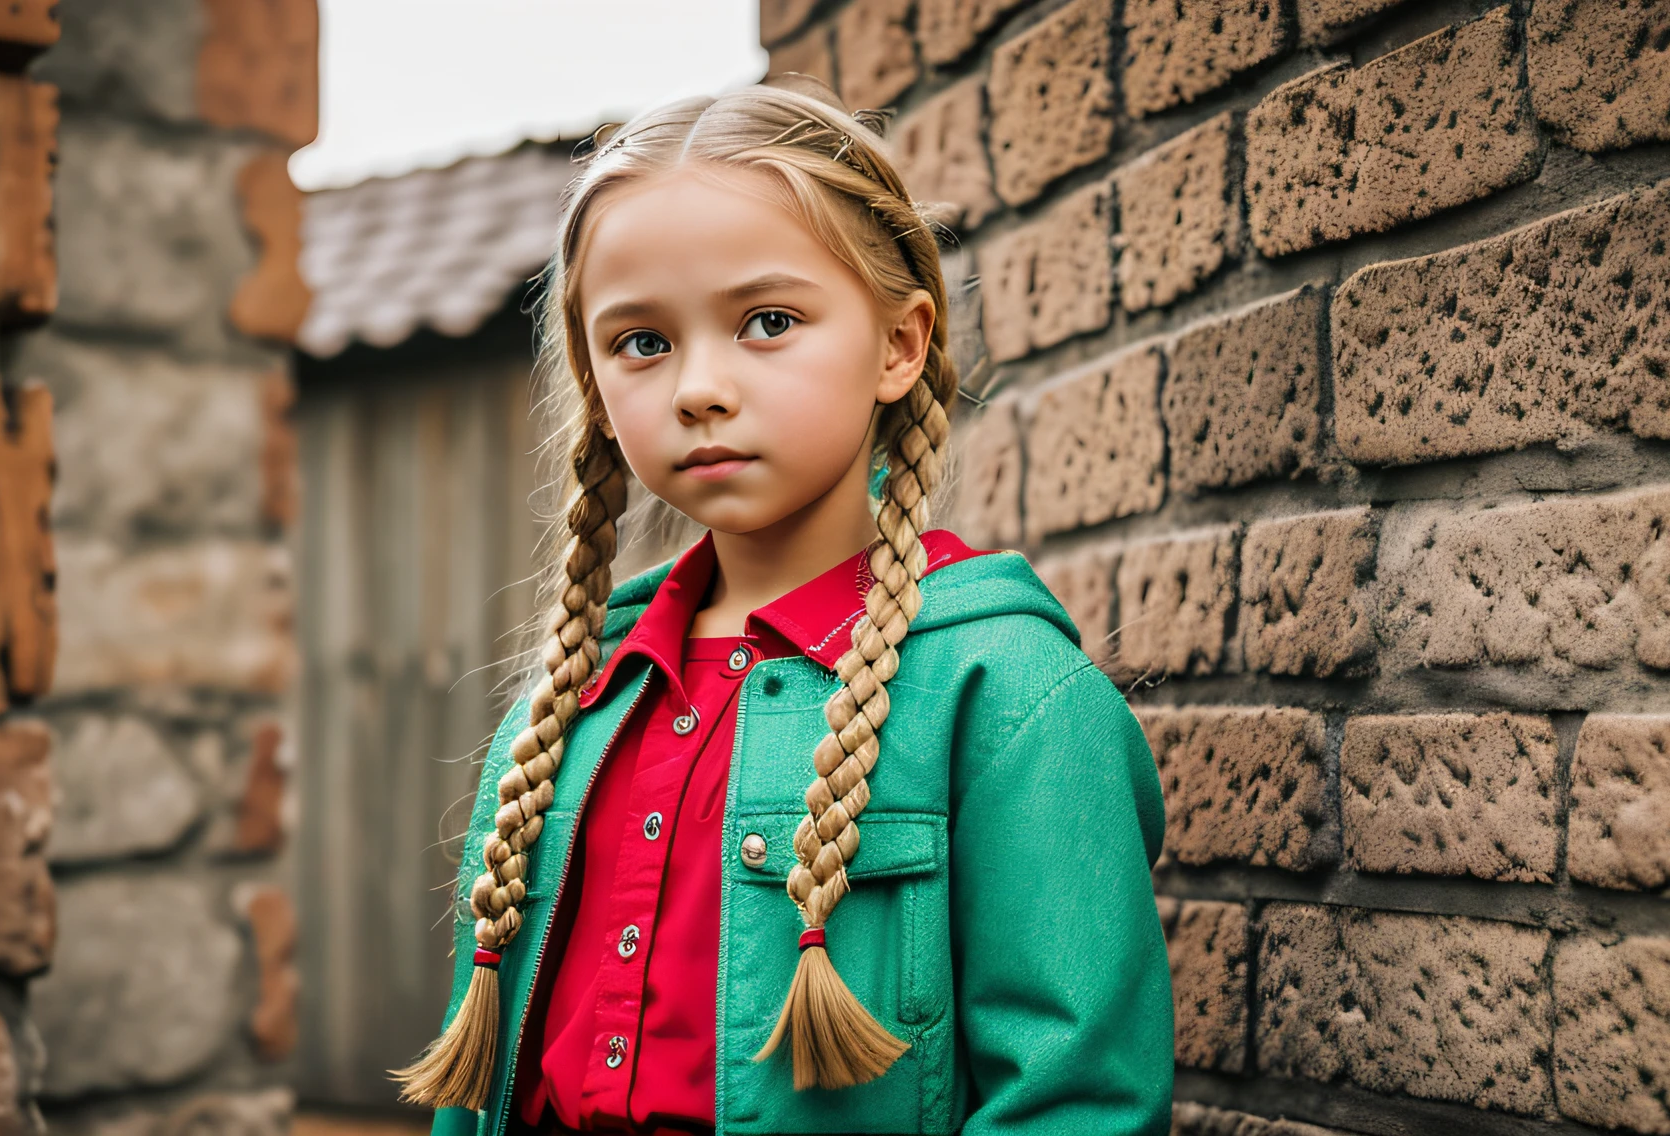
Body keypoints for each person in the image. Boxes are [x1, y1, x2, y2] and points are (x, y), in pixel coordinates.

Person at [394, 75, 1172, 1136]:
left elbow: (1075, 1104)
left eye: (766, 321)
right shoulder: (568, 703)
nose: (696, 386)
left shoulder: (1010, 698)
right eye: (640, 341)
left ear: (898, 345)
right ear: (593, 377)